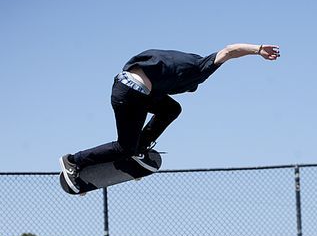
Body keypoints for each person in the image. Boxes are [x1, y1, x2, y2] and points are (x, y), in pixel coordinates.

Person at [59, 43, 280, 193]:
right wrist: (258, 49)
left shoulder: (172, 63)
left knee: (171, 108)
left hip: (129, 87)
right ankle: (74, 161)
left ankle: (138, 149)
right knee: (124, 147)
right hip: (131, 93)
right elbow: (230, 51)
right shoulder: (199, 67)